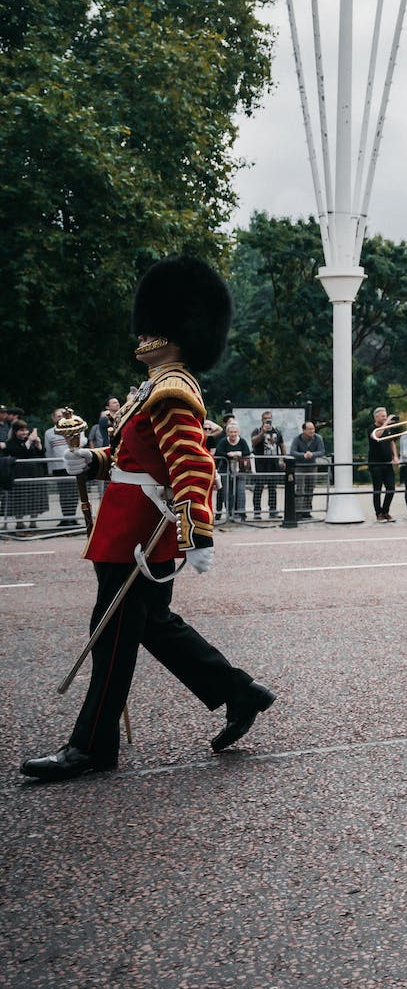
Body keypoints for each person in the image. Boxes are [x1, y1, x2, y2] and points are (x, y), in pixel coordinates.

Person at [21, 256, 273, 782]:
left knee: (111, 635)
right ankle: (238, 691)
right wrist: (92, 460)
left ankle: (90, 747)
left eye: (152, 326)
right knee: (152, 625)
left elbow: (191, 464)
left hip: (140, 532)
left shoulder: (172, 389)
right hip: (128, 524)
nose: (141, 335)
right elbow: (134, 458)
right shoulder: (152, 387)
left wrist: (197, 532)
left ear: (177, 333)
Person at [211, 417, 253, 521]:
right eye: (231, 432)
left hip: (240, 469)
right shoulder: (223, 441)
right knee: (227, 492)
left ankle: (241, 513)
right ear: (227, 433)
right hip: (226, 469)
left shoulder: (242, 441)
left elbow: (247, 452)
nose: (233, 434)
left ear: (238, 432)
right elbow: (218, 452)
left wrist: (238, 453)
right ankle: (229, 513)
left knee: (240, 491)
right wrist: (228, 455)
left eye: (235, 432)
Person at [250, 412, 284, 519]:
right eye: (265, 418)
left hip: (273, 463)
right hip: (260, 463)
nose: (267, 420)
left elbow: (282, 445)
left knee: (272, 488)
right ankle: (257, 511)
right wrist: (263, 432)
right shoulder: (257, 430)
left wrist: (285, 459)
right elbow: (253, 442)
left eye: (269, 418)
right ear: (262, 420)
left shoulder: (277, 431)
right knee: (259, 487)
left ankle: (273, 510)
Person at [367, 407, 397, 522]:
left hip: (387, 463)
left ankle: (385, 511)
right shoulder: (371, 428)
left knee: (391, 488)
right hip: (375, 464)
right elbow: (376, 436)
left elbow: (391, 442)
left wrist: (395, 456)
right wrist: (386, 423)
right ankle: (378, 513)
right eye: (383, 416)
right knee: (377, 490)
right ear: (376, 417)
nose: (385, 418)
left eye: (386, 416)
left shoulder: (387, 428)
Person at [291, 420, 323, 519]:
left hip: (312, 466)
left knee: (310, 488)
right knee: (300, 488)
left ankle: (307, 511)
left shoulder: (318, 438)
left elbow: (322, 451)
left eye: (313, 429)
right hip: (300, 467)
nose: (311, 431)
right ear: (304, 430)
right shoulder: (297, 439)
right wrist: (303, 455)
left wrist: (312, 454)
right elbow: (293, 452)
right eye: (309, 429)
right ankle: (298, 511)